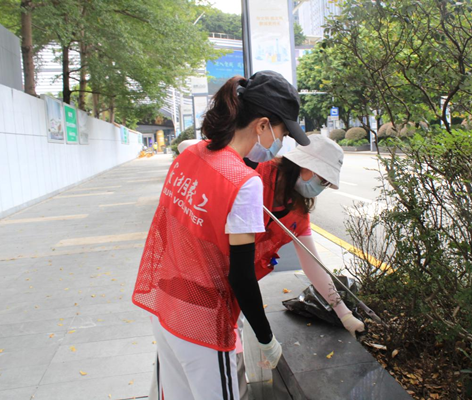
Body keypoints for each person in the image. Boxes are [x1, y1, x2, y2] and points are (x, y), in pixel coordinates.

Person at [132, 70, 310, 400]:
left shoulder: (190, 155)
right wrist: (266, 338)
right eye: (282, 132)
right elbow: (241, 276)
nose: (280, 143)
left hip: (167, 305)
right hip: (203, 324)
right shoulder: (244, 182)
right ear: (262, 125)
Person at [179, 135, 365, 399]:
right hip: (199, 278)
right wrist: (265, 338)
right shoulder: (252, 172)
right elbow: (190, 148)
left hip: (235, 289)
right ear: (306, 167)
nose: (321, 188)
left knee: (227, 362)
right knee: (213, 371)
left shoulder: (297, 211)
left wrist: (344, 313)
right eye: (323, 180)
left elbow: (313, 264)